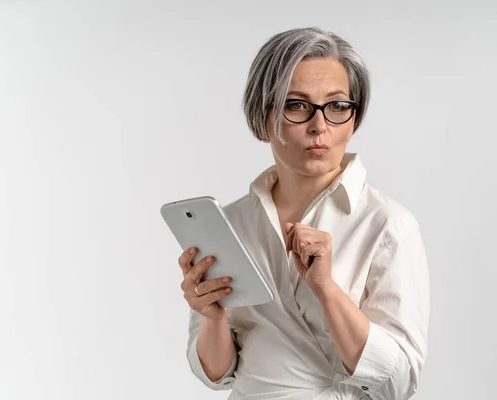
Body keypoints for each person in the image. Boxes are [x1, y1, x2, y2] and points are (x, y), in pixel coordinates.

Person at [176, 26, 430, 400]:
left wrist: (326, 290)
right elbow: (217, 375)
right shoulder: (230, 223)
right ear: (263, 118)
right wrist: (213, 318)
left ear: (354, 118)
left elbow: (399, 383)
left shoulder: (388, 225)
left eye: (338, 106)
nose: (320, 125)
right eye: (296, 105)